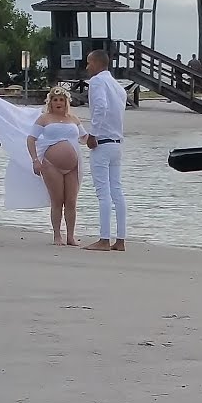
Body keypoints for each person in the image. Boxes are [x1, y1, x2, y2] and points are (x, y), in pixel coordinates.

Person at [26, 87, 90, 246]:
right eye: (55, 100)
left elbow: (84, 138)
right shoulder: (44, 118)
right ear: (51, 102)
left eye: (61, 100)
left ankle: (71, 236)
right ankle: (57, 235)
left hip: (73, 166)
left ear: (66, 102)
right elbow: (31, 139)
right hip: (51, 164)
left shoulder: (73, 119)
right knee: (57, 201)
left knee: (71, 201)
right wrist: (35, 160)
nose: (58, 103)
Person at [82, 49, 128, 252]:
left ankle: (104, 239)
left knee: (103, 193)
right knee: (116, 190)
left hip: (103, 142)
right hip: (117, 142)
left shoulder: (97, 81)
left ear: (97, 63)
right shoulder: (118, 86)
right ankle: (120, 239)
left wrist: (92, 134)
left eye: (89, 63)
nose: (87, 67)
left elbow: (100, 107)